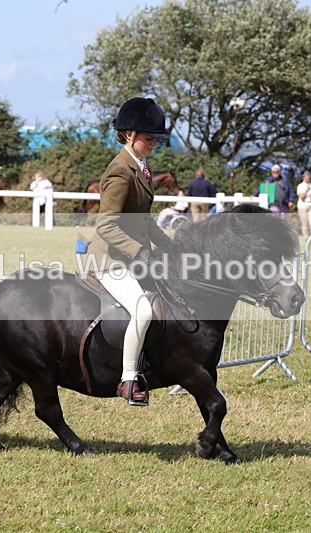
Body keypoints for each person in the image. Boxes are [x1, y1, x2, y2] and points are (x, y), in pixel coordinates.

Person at [83, 97, 173, 406]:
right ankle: (128, 379)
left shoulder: (142, 168)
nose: (153, 144)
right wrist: (139, 252)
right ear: (130, 135)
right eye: (149, 138)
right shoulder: (120, 171)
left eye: (155, 139)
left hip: (131, 257)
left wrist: (170, 245)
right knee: (144, 310)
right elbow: (105, 225)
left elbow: (143, 219)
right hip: (110, 259)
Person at [296, 170, 311, 240]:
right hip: (302, 206)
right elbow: (301, 197)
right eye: (307, 177)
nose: (308, 178)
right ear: (303, 177)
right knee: (304, 223)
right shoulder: (300, 186)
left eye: (309, 177)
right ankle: (306, 238)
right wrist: (307, 190)